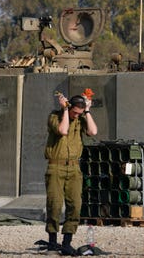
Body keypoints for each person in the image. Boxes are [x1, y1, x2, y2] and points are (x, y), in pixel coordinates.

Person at [44, 93, 98, 255]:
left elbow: (93, 131)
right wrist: (66, 111)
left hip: (74, 168)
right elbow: (63, 130)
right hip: (56, 167)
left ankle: (67, 241)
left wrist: (87, 111)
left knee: (75, 205)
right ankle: (52, 242)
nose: (77, 115)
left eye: (79, 113)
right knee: (54, 204)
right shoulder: (55, 116)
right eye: (75, 112)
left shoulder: (81, 118)